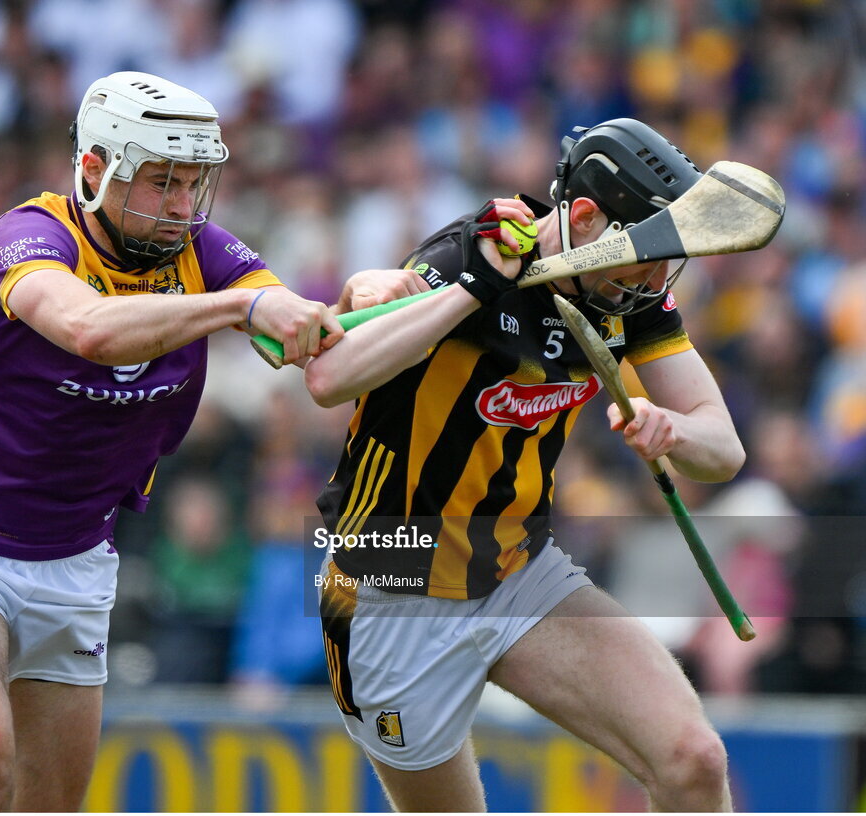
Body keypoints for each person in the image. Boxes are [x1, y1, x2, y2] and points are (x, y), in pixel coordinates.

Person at [0, 71, 422, 811]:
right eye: (162, 182)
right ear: (94, 170)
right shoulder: (30, 236)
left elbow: (312, 349)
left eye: (193, 184)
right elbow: (88, 328)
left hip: (77, 563)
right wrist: (237, 306)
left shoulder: (206, 252)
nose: (182, 206)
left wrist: (369, 302)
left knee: (46, 804)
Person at [302, 118, 746, 811]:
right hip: (391, 581)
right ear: (586, 218)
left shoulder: (628, 295)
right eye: (646, 254)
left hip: (517, 571)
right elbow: (329, 380)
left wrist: (672, 431)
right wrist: (464, 294)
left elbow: (724, 450)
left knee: (694, 760)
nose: (656, 277)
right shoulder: (469, 254)